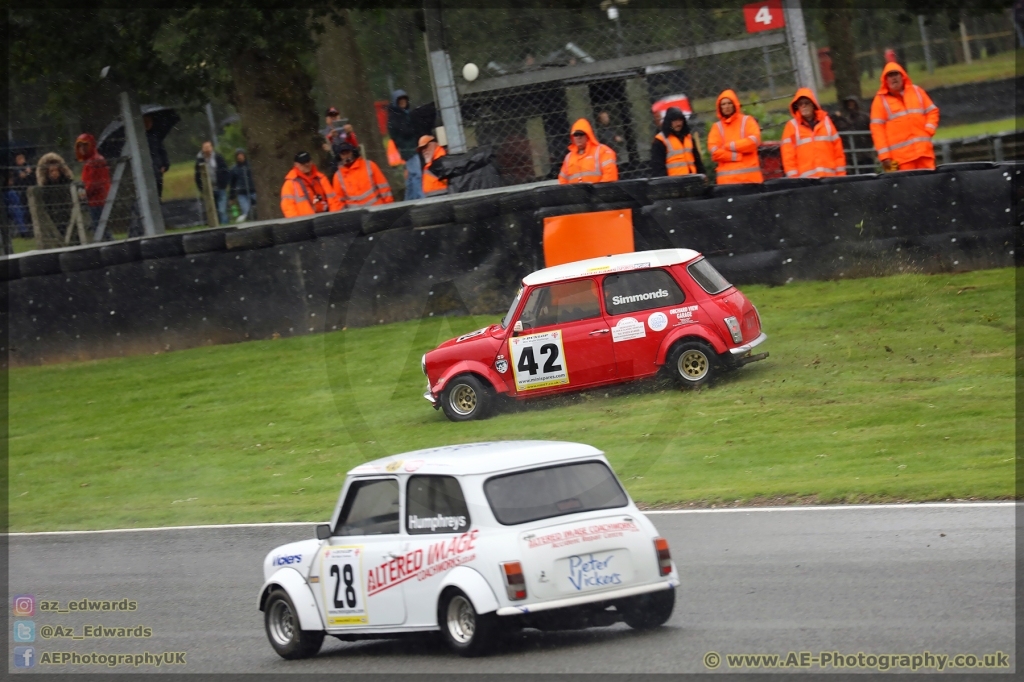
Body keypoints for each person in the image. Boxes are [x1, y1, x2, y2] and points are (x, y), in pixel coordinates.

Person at [870, 62, 939, 172]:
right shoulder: (880, 101)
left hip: (924, 154)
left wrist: (929, 130)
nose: (894, 78)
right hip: (901, 160)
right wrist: (885, 157)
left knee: (930, 187)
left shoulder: (917, 91)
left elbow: (932, 111)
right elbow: (877, 131)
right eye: (890, 75)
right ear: (885, 80)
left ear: (902, 76)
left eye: (896, 74)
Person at [780, 88, 846, 179]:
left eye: (806, 103)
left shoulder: (826, 122)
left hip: (830, 179)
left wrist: (841, 177)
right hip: (806, 183)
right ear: (797, 107)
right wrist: (795, 181)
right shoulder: (791, 127)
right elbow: (788, 158)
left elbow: (838, 152)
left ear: (813, 105)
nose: (803, 106)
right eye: (800, 104)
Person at [387, 90, 436, 200]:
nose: (403, 102)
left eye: (404, 100)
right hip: (409, 149)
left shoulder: (402, 114)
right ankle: (420, 198)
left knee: (411, 176)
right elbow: (403, 131)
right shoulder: (397, 117)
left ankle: (408, 200)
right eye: (400, 100)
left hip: (410, 148)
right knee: (416, 174)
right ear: (396, 102)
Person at [706, 90, 763, 184]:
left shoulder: (747, 120)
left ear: (734, 104)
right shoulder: (717, 127)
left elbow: (754, 142)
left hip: (750, 179)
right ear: (720, 107)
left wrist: (728, 146)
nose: (727, 106)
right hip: (727, 181)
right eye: (723, 104)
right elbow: (714, 152)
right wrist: (736, 156)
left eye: (729, 103)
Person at [331, 142, 393, 208]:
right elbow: (339, 201)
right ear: (339, 157)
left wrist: (389, 207)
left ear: (353, 153)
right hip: (356, 216)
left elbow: (384, 189)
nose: (346, 156)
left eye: (348, 152)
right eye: (343, 154)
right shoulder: (337, 176)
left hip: (376, 209)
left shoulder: (369, 165)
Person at [280, 151, 340, 217]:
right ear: (296, 165)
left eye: (307, 161)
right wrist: (297, 224)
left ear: (311, 161)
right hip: (305, 223)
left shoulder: (322, 178)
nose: (306, 164)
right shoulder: (290, 184)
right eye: (302, 163)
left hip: (325, 219)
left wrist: (334, 218)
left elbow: (333, 201)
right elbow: (288, 209)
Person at [557, 118, 618, 184]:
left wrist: (598, 192)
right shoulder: (568, 158)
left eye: (581, 134)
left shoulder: (603, 151)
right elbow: (562, 181)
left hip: (599, 193)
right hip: (576, 194)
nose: (578, 137)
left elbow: (610, 177)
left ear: (588, 135)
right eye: (575, 135)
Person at [651, 107, 705, 177]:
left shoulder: (688, 138)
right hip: (673, 183)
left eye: (680, 120)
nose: (678, 123)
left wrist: (702, 174)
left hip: (692, 179)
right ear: (669, 121)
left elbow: (697, 161)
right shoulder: (660, 140)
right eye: (675, 120)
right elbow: (658, 167)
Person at [74, 133, 111, 227]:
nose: (82, 148)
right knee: (100, 228)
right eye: (80, 145)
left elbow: (93, 185)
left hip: (97, 200)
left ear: (91, 145)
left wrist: (82, 195)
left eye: (85, 145)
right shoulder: (90, 161)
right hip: (95, 200)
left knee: (100, 229)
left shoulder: (95, 161)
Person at [35, 152, 75, 240]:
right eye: (52, 171)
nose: (55, 173)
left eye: (57, 170)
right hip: (53, 215)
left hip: (67, 213)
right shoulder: (45, 188)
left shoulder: (67, 183)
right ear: (46, 172)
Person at [832, 96, 873, 173]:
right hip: (852, 156)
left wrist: (868, 145)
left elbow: (873, 130)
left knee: (868, 173)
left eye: (852, 103)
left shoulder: (864, 117)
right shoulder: (844, 119)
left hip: (865, 154)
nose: (850, 105)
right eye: (849, 104)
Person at [194, 141, 230, 224]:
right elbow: (197, 176)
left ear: (212, 148)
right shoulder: (199, 161)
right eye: (205, 148)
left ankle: (225, 225)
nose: (207, 150)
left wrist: (224, 184)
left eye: (208, 147)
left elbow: (225, 171)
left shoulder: (218, 157)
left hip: (220, 187)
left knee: (222, 210)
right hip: (208, 189)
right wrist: (201, 188)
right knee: (212, 210)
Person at [5, 152, 34, 237]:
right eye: (19, 159)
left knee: (16, 205)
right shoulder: (14, 169)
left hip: (25, 192)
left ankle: (24, 230)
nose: (21, 161)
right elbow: (14, 182)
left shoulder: (29, 167)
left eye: (22, 158)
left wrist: (28, 174)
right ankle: (23, 230)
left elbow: (32, 180)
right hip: (18, 191)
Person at [144, 115, 170, 198]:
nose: (148, 124)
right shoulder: (141, 138)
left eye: (149, 122)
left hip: (157, 168)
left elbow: (162, 151)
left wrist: (165, 165)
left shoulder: (155, 136)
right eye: (145, 122)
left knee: (158, 189)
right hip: (147, 168)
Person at [229, 148, 256, 221]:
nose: (240, 157)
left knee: (257, 209)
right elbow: (232, 184)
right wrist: (231, 197)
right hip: (241, 193)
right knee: (246, 212)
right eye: (238, 155)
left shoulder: (251, 166)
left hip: (253, 191)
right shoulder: (234, 169)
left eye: (241, 155)